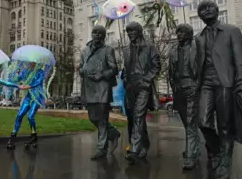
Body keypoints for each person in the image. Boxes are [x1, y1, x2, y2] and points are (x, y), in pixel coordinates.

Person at [195, 0, 242, 179]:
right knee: (203, 122)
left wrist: (241, 83)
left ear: (217, 11)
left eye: (210, 7)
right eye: (202, 9)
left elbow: (240, 60)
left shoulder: (231, 31)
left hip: (226, 81)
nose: (206, 10)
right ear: (199, 15)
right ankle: (217, 150)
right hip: (206, 83)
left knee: (225, 126)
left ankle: (225, 161)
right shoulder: (199, 38)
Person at [79, 25, 121, 160]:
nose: (96, 35)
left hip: (102, 88)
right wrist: (80, 70)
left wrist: (102, 74)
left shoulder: (108, 50)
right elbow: (81, 66)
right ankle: (113, 133)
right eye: (94, 32)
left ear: (103, 36)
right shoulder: (85, 51)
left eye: (99, 33)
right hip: (89, 88)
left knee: (102, 120)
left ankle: (101, 148)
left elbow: (114, 68)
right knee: (93, 118)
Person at [122, 22, 161, 164]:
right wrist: (126, 81)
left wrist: (146, 81)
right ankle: (144, 144)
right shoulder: (126, 50)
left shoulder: (150, 47)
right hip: (131, 87)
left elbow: (156, 66)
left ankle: (134, 148)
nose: (130, 33)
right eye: (128, 31)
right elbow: (125, 69)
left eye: (132, 31)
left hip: (143, 86)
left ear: (139, 31)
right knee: (132, 118)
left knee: (138, 115)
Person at [168, 23, 200, 170]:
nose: (178, 34)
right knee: (187, 123)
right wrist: (173, 85)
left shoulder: (197, 46)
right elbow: (170, 70)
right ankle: (194, 148)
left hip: (192, 86)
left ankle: (191, 155)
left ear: (189, 33)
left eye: (181, 32)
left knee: (191, 121)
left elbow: (203, 66)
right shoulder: (173, 49)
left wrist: (198, 84)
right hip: (178, 88)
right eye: (177, 32)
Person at [7, 62, 45, 149]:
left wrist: (28, 86)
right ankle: (13, 136)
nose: (31, 63)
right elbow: (17, 78)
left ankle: (34, 135)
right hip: (28, 96)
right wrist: (11, 75)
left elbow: (38, 82)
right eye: (30, 61)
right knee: (19, 115)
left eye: (33, 61)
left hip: (37, 96)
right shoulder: (25, 71)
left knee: (30, 116)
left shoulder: (40, 72)